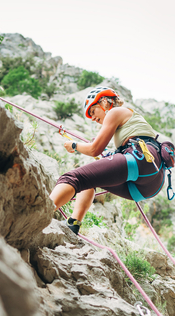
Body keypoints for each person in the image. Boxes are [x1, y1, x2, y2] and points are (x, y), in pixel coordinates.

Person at [50, 86, 165, 234]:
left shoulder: (115, 112)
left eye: (93, 111)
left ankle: (41, 212)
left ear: (104, 102)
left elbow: (94, 150)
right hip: (148, 185)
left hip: (140, 161)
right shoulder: (129, 122)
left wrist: (74, 145)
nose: (94, 119)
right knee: (89, 180)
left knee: (72, 178)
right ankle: (73, 225)